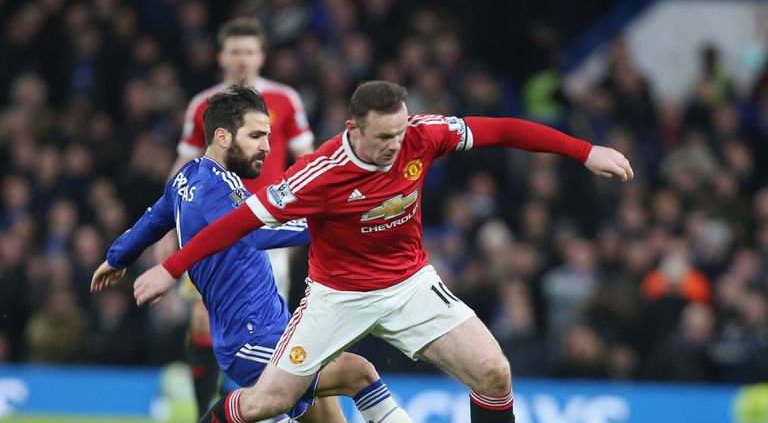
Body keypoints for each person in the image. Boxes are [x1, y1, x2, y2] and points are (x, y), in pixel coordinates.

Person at [136, 81, 635, 423]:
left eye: (399, 132)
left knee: (493, 372)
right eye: (383, 137)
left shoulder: (423, 135)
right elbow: (239, 222)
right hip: (336, 296)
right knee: (268, 401)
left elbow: (502, 129)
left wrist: (584, 151)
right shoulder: (319, 173)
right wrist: (171, 269)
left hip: (409, 285)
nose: (395, 145)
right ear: (353, 129)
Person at [92, 86, 412, 423]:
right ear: (222, 136)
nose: (267, 147)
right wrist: (338, 220)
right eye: (256, 135)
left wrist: (117, 258)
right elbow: (258, 231)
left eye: (268, 136)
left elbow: (152, 221)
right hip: (251, 338)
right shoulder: (218, 190)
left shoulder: (188, 177)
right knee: (359, 372)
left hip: (276, 330)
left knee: (330, 416)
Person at [164, 17, 315, 415]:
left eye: (249, 51)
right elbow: (183, 168)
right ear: (221, 57)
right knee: (203, 318)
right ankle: (204, 412)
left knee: (265, 325)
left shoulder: (285, 100)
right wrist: (166, 228)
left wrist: (304, 213)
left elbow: (307, 160)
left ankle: (268, 408)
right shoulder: (204, 105)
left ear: (262, 56)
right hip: (212, 227)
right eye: (235, 51)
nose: (242, 59)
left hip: (269, 225)